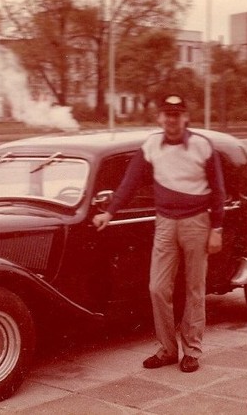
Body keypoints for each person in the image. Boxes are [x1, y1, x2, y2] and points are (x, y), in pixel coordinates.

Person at [92, 94, 225, 373]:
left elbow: (218, 190)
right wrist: (110, 212)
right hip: (165, 222)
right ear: (160, 118)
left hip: (196, 223)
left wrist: (216, 229)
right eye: (167, 114)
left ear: (185, 117)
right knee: (158, 287)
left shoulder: (202, 145)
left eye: (177, 114)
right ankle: (167, 349)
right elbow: (129, 182)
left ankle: (192, 351)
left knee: (194, 288)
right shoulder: (151, 145)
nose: (172, 120)